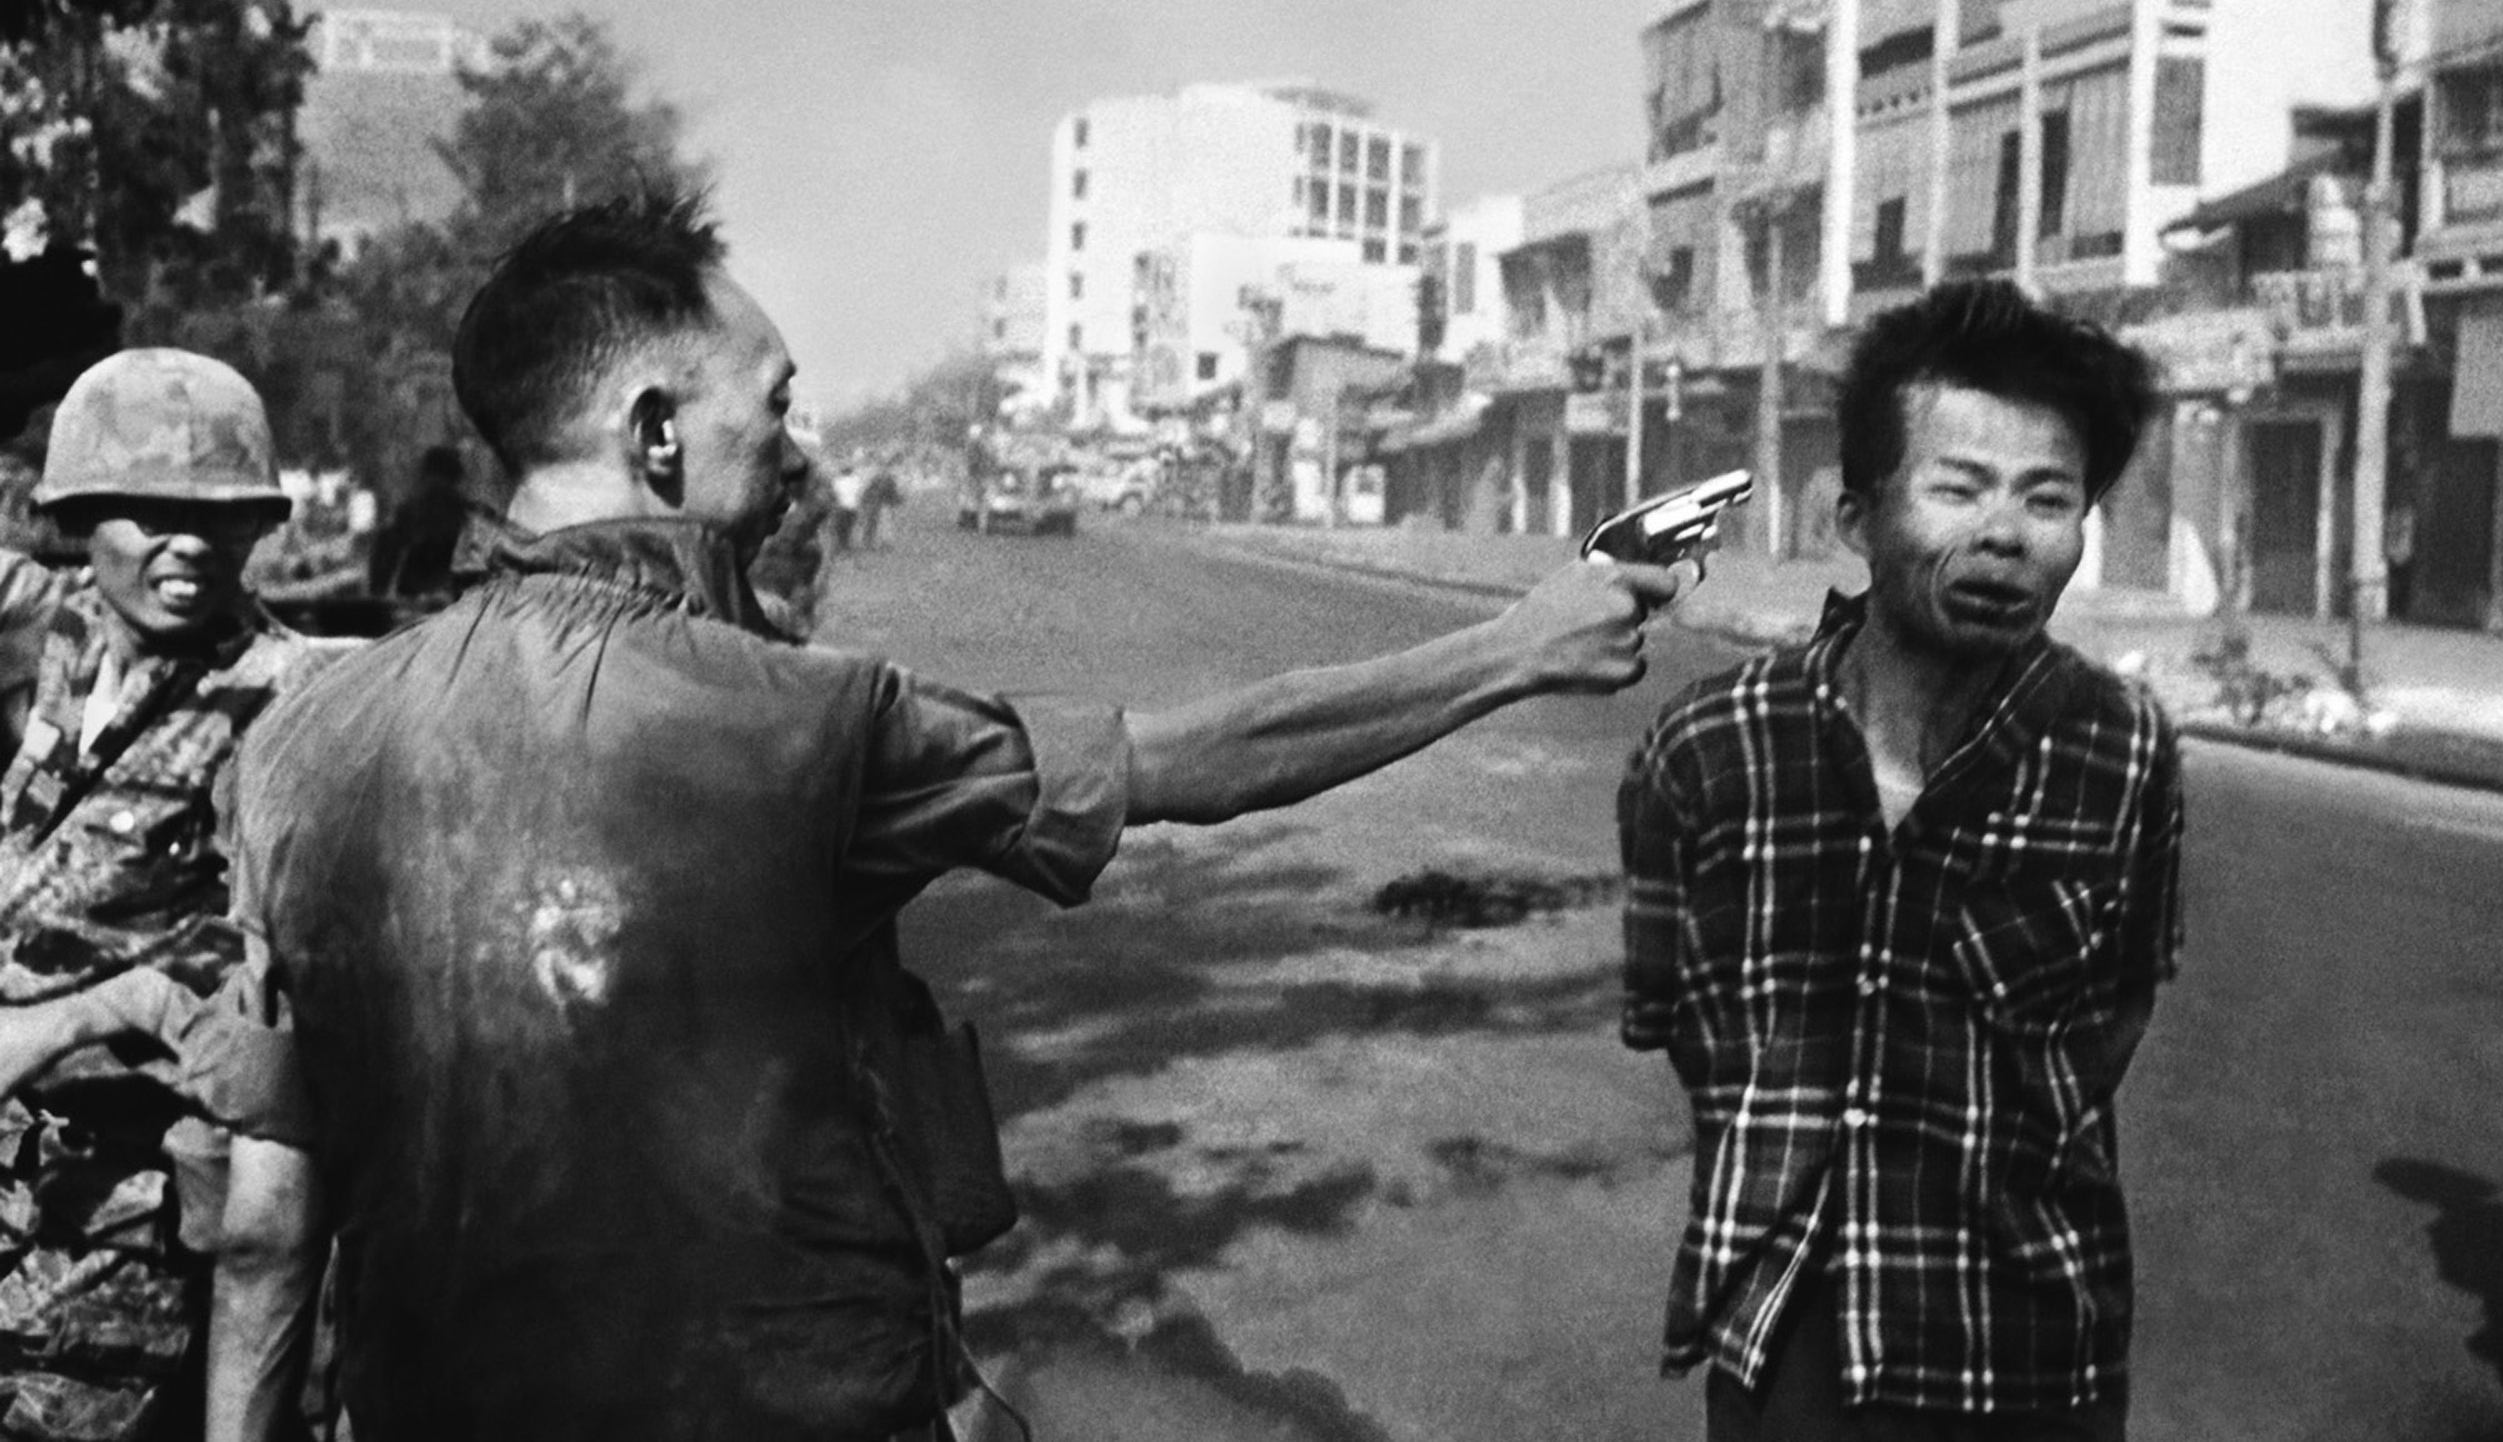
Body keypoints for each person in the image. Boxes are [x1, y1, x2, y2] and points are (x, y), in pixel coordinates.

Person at [216, 191, 1673, 1441]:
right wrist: (1515, 647)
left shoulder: (297, 749)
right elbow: (1207, 757)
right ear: (656, 430)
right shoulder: (801, 721)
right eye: (774, 404)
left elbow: (269, 1221)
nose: (798, 454)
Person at [1620, 279, 2183, 1442]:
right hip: (1783, 1346)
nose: (2005, 535)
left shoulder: (2120, 750)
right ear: (1856, 517)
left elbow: (2117, 1013)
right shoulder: (1708, 751)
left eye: (2048, 499)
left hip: (2025, 1348)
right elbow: (1677, 1015)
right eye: (1959, 487)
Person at [0, 350, 329, 1442]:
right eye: (145, 511)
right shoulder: (66, 643)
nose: (188, 542)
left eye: (223, 516)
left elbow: (274, 978)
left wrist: (88, 1014)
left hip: (123, 1224)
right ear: (83, 518)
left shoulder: (286, 706)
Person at [368, 444, 473, 602]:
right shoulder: (462, 511)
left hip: (428, 592)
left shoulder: (413, 509)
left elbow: (387, 552)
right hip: (431, 592)